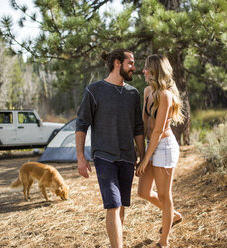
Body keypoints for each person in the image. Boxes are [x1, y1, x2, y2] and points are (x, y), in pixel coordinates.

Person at [75, 48, 145, 248]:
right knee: (113, 205)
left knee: (120, 205)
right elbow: (81, 125)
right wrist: (81, 156)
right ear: (117, 63)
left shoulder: (133, 94)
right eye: (130, 63)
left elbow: (138, 128)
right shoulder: (94, 91)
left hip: (127, 157)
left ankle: (117, 243)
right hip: (104, 157)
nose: (134, 67)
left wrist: (142, 156)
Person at [136, 54, 185, 248]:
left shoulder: (165, 95)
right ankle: (172, 215)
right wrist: (141, 153)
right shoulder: (148, 91)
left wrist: (145, 159)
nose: (143, 71)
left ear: (155, 70)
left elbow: (157, 130)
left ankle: (164, 241)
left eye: (146, 68)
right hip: (151, 145)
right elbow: (143, 122)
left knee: (165, 196)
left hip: (164, 147)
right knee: (143, 191)